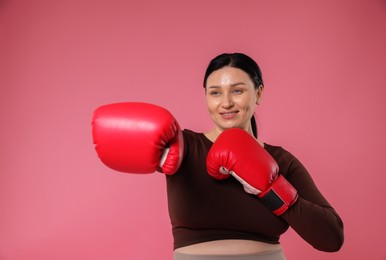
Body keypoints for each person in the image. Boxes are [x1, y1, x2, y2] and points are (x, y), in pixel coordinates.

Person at [92, 53, 344, 260]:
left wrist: (273, 189)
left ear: (258, 94)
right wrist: (155, 152)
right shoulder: (182, 146)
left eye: (237, 91)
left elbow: (331, 239)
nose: (225, 103)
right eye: (215, 92)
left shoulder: (281, 160)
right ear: (205, 97)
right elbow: (117, 138)